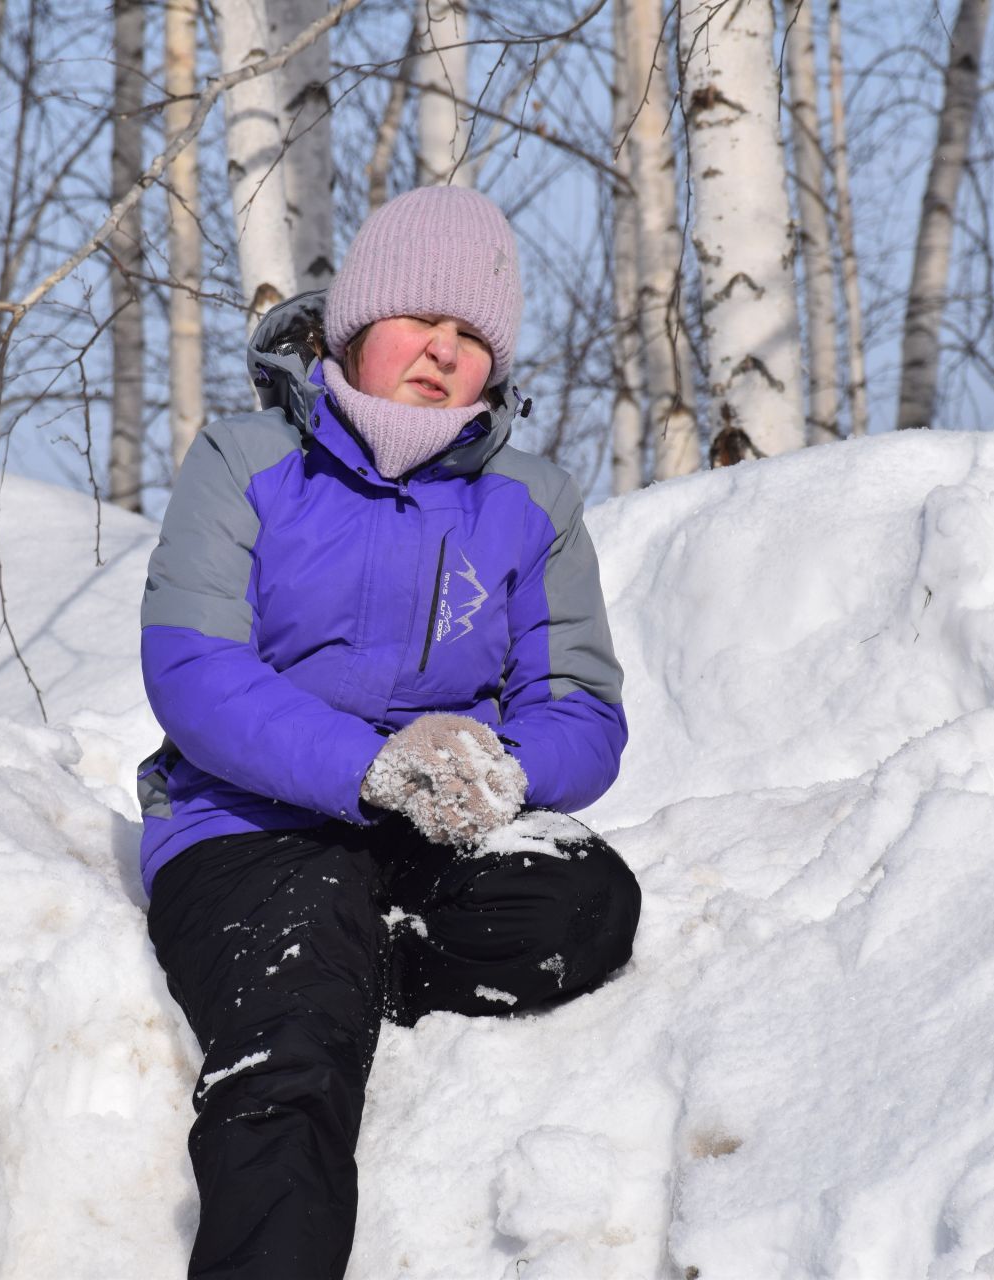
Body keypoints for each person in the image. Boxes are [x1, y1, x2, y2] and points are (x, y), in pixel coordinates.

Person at [137, 185, 640, 1279]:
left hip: (431, 832)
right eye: (421, 321)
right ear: (357, 324)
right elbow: (194, 670)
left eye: (472, 338)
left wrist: (503, 769)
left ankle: (367, 959)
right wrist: (369, 769)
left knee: (584, 895)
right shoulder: (243, 461)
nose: (442, 352)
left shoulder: (532, 500)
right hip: (247, 825)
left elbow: (585, 710)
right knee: (295, 1042)